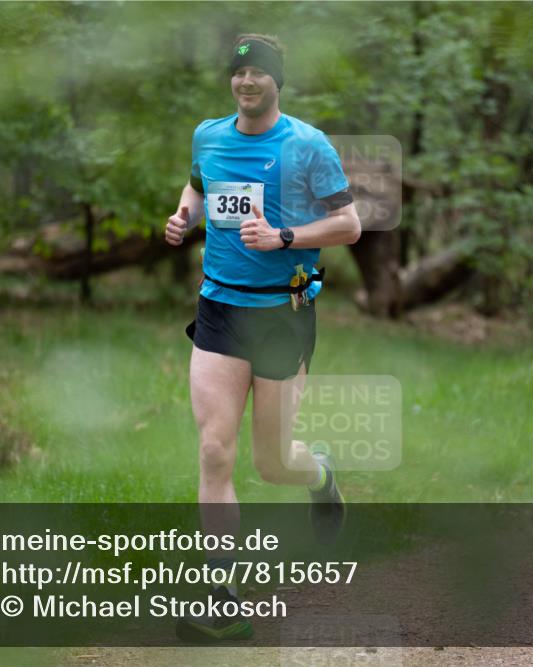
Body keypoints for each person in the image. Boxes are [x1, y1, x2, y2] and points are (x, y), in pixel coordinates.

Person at [164, 33, 361, 642]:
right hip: (220, 309)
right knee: (214, 451)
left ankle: (319, 472)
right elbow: (198, 187)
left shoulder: (307, 145)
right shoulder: (209, 136)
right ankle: (222, 597)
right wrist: (184, 216)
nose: (247, 82)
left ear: (278, 81)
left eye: (259, 74)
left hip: (282, 313)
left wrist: (285, 238)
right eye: (239, 73)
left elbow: (349, 225)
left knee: (273, 464)